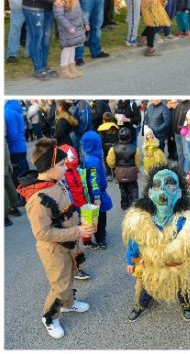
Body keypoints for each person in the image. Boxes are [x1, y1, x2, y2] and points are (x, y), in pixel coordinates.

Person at [17, 139, 94, 339]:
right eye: (61, 164)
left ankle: (68, 304)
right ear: (48, 168)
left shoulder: (54, 181)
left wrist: (80, 223)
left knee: (68, 276)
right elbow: (42, 233)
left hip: (67, 242)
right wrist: (78, 231)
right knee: (59, 284)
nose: (65, 167)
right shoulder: (38, 199)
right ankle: (49, 317)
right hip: (53, 250)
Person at [122, 165, 190, 322]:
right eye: (157, 186)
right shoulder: (141, 219)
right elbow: (135, 241)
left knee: (182, 286)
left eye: (170, 185)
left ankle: (186, 304)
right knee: (148, 285)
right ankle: (141, 304)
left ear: (179, 193)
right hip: (152, 265)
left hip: (176, 266)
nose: (162, 191)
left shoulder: (187, 221)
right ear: (150, 192)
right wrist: (131, 259)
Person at [51, 0, 90, 79]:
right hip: (67, 29)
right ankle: (64, 69)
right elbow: (59, 16)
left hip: (76, 28)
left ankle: (71, 67)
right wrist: (69, 27)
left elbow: (80, 12)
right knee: (67, 48)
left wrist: (86, 23)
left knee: (73, 47)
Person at [80, 131, 112, 248]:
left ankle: (99, 234)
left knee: (96, 217)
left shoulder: (89, 158)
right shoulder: (93, 161)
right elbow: (94, 181)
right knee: (100, 217)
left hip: (95, 193)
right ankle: (100, 238)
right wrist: (97, 197)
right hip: (97, 195)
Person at [107, 126, 141, 211]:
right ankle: (135, 203)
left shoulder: (113, 148)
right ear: (130, 136)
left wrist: (114, 167)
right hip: (131, 171)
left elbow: (110, 161)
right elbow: (138, 162)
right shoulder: (135, 148)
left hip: (120, 172)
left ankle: (124, 204)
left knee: (123, 188)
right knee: (133, 187)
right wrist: (137, 169)